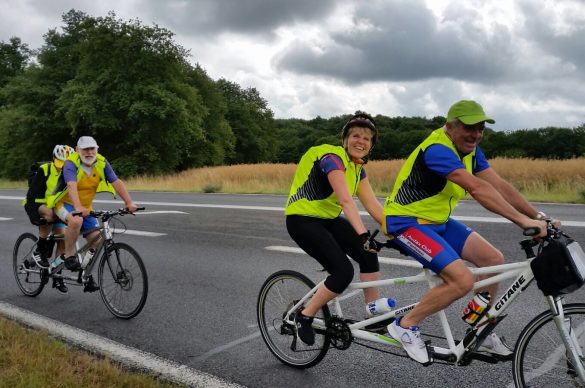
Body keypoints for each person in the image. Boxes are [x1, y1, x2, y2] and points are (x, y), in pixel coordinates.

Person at [383, 100, 551, 364]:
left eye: (481, 128)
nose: (476, 134)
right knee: (461, 280)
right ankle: (404, 325)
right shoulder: (438, 148)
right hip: (406, 222)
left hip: (437, 221)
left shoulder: (471, 150)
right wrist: (522, 222)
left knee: (493, 259)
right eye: (469, 127)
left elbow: (499, 186)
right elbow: (477, 188)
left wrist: (539, 216)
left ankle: (481, 327)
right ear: (450, 126)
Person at [285, 111, 387, 346]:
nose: (361, 141)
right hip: (302, 220)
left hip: (327, 219)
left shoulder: (358, 169)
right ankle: (305, 315)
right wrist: (363, 235)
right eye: (356, 136)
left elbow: (372, 205)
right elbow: (346, 201)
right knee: (342, 272)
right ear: (345, 140)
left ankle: (373, 316)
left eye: (367, 138)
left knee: (369, 254)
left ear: (371, 145)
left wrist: (402, 234)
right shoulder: (333, 158)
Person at [47, 136, 139, 292]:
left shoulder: (101, 162)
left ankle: (85, 272)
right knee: (76, 221)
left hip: (86, 206)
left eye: (92, 149)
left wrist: (129, 203)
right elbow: (71, 185)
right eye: (85, 149)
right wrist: (77, 207)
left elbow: (116, 181)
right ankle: (69, 255)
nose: (89, 152)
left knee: (96, 240)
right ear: (78, 150)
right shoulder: (71, 163)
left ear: (97, 149)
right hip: (64, 203)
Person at [23, 145, 74, 293]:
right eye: (59, 163)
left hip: (57, 206)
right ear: (53, 159)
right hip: (39, 204)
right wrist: (34, 217)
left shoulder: (71, 173)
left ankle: (57, 275)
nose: (61, 167)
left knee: (62, 240)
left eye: (65, 164)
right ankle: (39, 250)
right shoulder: (45, 170)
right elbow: (31, 195)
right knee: (50, 216)